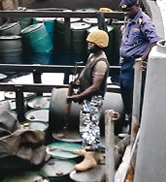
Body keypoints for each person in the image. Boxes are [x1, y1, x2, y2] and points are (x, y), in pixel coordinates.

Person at [67, 29, 111, 172]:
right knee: (91, 124)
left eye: (92, 43)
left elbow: (95, 87)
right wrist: (79, 81)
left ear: (100, 44)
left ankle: (90, 159)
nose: (89, 44)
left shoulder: (101, 63)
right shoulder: (92, 56)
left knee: (88, 126)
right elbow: (86, 71)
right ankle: (94, 152)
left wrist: (80, 96)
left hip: (93, 99)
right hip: (87, 97)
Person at [119, 0, 161, 120]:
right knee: (125, 90)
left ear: (137, 5)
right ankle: (129, 120)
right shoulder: (129, 19)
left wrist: (142, 60)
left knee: (133, 94)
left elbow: (155, 41)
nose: (126, 13)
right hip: (125, 63)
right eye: (124, 10)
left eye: (129, 10)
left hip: (134, 63)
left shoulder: (144, 21)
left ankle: (135, 122)